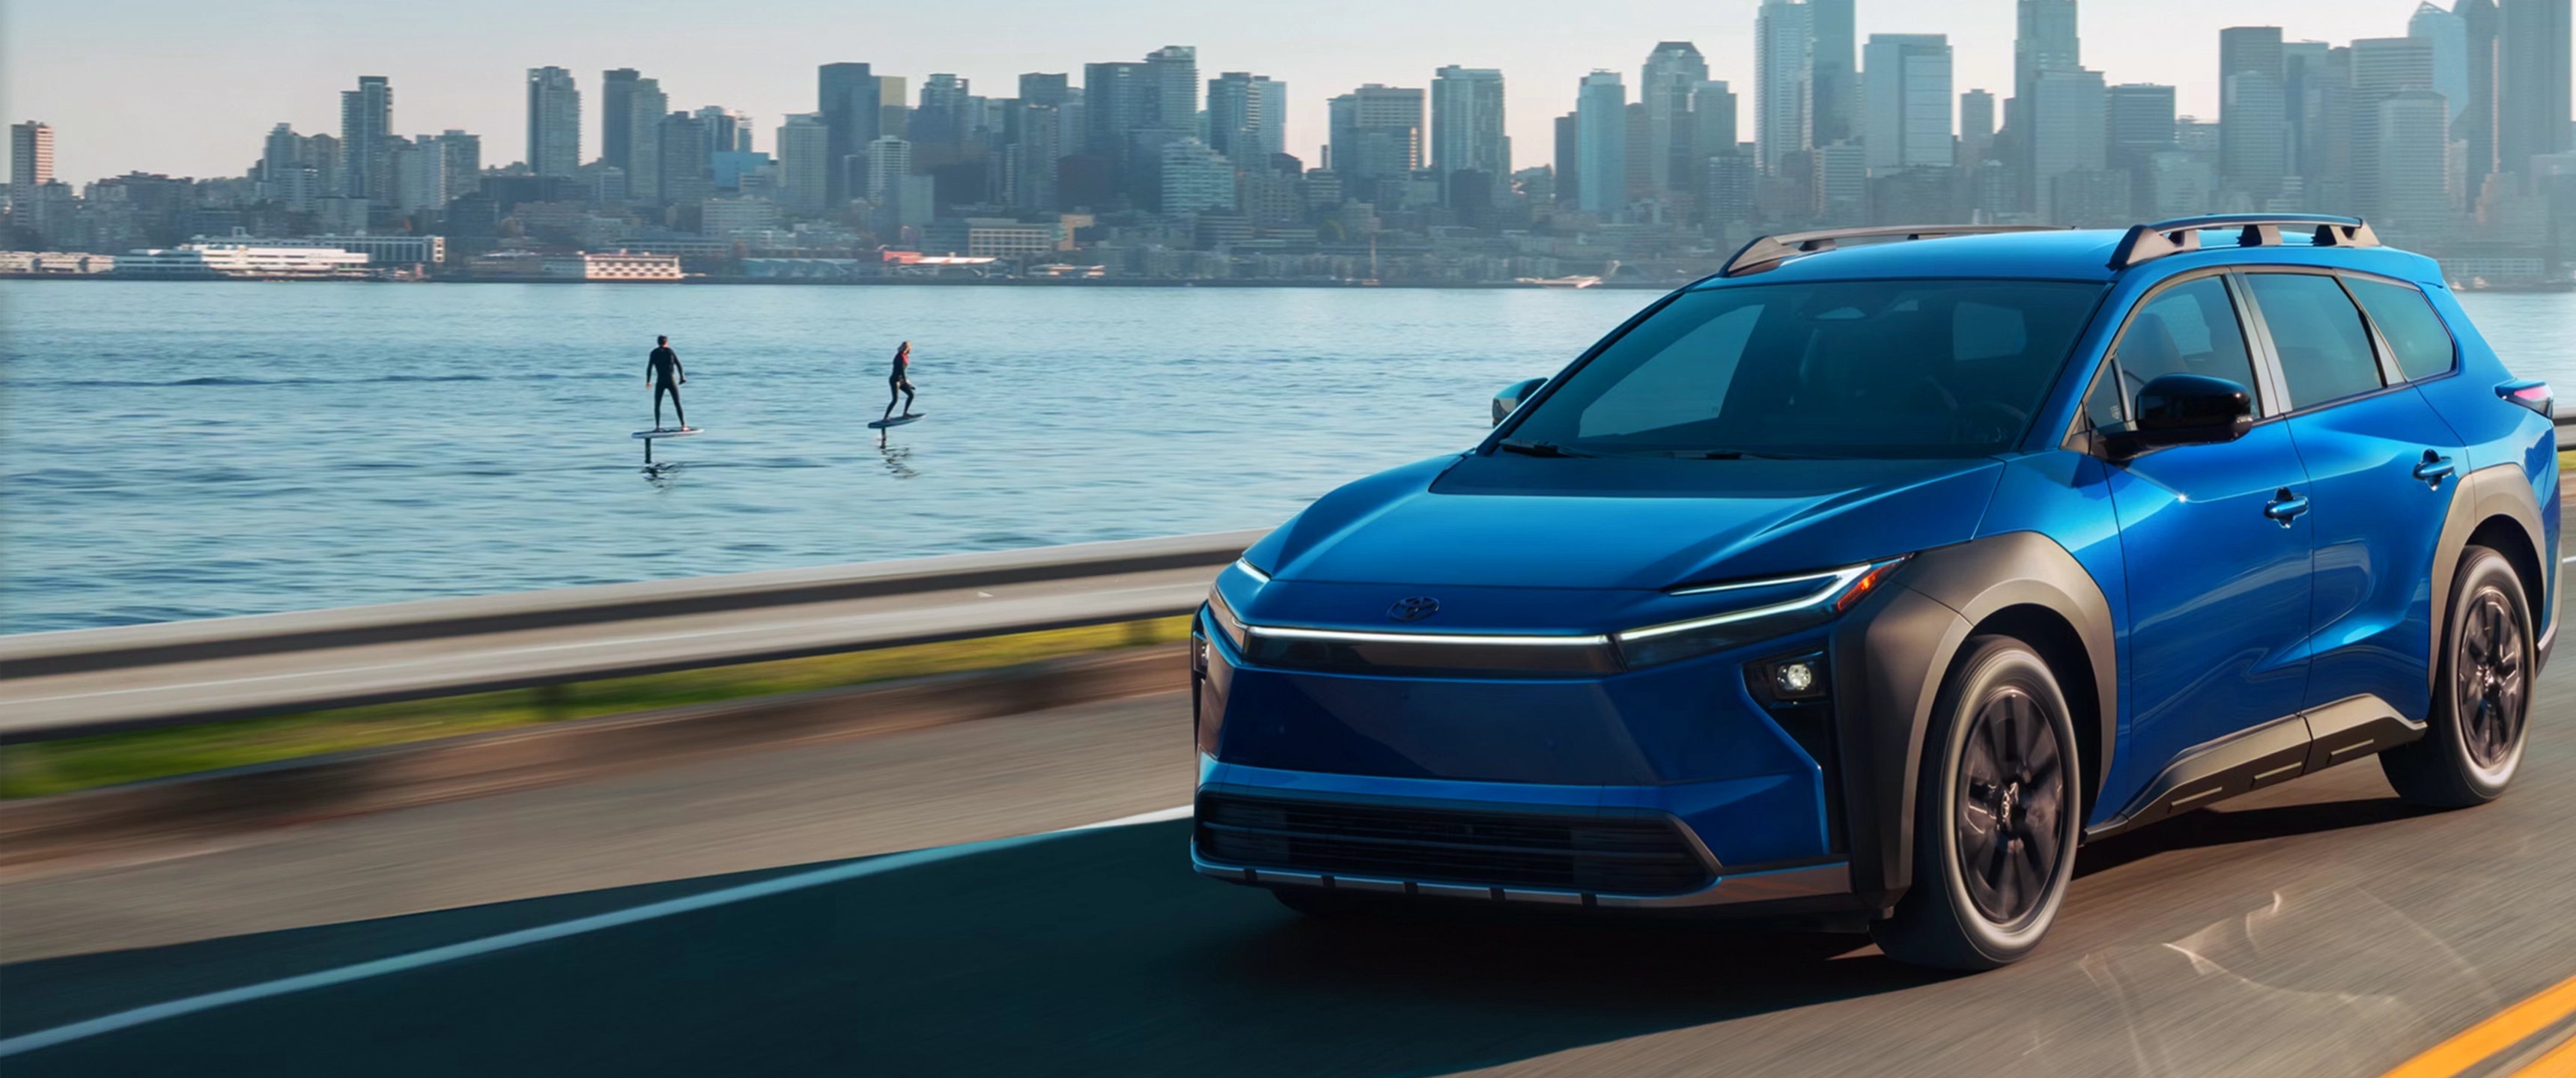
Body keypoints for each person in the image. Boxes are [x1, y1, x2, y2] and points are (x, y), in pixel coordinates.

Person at [646, 335, 687, 430]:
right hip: (671, 380)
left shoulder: (654, 353)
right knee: (677, 403)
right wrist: (682, 377)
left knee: (657, 404)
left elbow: (649, 368)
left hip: (660, 380)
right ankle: (683, 426)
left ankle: (657, 427)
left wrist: (648, 381)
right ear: (666, 342)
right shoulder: (670, 351)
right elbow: (678, 365)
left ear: (658, 343)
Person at [883, 340, 917, 422]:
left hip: (900, 380)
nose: (911, 350)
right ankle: (885, 417)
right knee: (895, 400)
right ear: (907, 348)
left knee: (911, 395)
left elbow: (903, 372)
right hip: (895, 380)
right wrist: (905, 381)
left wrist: (907, 382)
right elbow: (901, 371)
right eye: (910, 348)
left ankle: (905, 413)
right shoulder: (900, 357)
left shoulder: (904, 356)